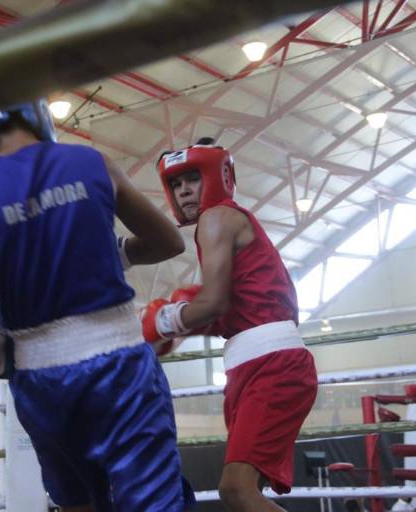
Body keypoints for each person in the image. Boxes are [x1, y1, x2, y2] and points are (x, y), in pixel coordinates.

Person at [0, 99, 194, 511]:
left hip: (39, 377)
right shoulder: (93, 162)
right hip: (120, 365)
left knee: (77, 504)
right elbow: (170, 241)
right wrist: (113, 252)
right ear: (36, 113)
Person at [141, 138, 318, 511]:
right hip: (251, 362)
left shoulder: (218, 217)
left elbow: (215, 302)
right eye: (176, 184)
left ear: (217, 177)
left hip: (272, 363)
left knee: (236, 489)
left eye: (192, 178)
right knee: (242, 489)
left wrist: (166, 320)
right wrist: (184, 315)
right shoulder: (219, 222)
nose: (184, 189)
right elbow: (228, 312)